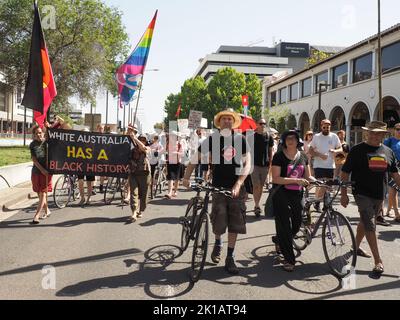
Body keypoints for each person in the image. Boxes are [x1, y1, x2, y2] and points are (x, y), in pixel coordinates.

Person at [183, 108, 251, 275]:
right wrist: (186, 177)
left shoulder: (241, 140)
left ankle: (230, 256)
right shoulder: (212, 139)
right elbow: (195, 159)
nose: (227, 121)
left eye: (230, 119)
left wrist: (239, 183)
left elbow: (247, 164)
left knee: (235, 222)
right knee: (218, 222)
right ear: (219, 122)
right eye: (224, 119)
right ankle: (218, 242)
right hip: (217, 186)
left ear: (233, 122)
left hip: (235, 187)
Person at [340, 121, 400, 275]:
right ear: (367, 133)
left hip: (379, 194)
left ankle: (356, 247)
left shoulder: (388, 151)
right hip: (361, 193)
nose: (375, 136)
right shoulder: (357, 150)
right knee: (370, 223)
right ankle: (378, 261)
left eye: (378, 133)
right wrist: (344, 194)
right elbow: (345, 172)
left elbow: (395, 174)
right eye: (372, 132)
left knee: (364, 221)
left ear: (383, 135)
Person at [271, 130, 313, 272]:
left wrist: (320, 182)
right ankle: (289, 258)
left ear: (297, 141)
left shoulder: (303, 157)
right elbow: (275, 178)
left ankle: (280, 240)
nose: (290, 141)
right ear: (284, 141)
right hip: (281, 193)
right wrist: (296, 180)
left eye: (293, 138)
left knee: (296, 221)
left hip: (297, 194)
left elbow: (308, 176)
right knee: (284, 225)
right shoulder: (278, 156)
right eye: (287, 138)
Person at [308, 119, 342, 211]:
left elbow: (340, 149)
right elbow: (310, 150)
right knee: (322, 185)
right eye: (324, 127)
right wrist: (320, 155)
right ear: (321, 127)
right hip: (318, 165)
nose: (326, 128)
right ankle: (318, 202)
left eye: (328, 127)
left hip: (330, 165)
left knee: (329, 186)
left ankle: (326, 204)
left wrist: (335, 151)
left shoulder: (334, 136)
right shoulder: (316, 137)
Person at [250, 118, 274, 217]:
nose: (263, 125)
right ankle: (256, 205)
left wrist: (270, 164)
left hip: (265, 165)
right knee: (256, 185)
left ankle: (257, 203)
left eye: (264, 123)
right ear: (257, 125)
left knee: (260, 186)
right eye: (261, 123)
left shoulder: (269, 136)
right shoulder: (252, 136)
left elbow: (270, 151)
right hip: (254, 164)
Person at [29, 125, 53, 224]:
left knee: (43, 193)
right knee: (39, 193)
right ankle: (47, 210)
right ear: (34, 135)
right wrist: (41, 169)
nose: (38, 134)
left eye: (40, 132)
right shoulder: (32, 145)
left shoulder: (47, 143)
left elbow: (58, 131)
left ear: (43, 133)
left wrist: (49, 127)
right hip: (36, 171)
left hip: (47, 172)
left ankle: (36, 215)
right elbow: (34, 159)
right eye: (36, 133)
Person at [128, 129, 151, 222]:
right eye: (140, 139)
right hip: (133, 173)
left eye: (143, 139)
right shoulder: (133, 149)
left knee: (144, 194)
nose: (142, 140)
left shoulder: (148, 148)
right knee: (134, 193)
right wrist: (130, 134)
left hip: (144, 174)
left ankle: (141, 210)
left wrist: (135, 139)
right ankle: (134, 212)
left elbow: (143, 148)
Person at [383, 122, 400, 223]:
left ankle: (389, 210)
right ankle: (397, 214)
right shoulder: (389, 141)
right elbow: (383, 153)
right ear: (394, 130)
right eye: (397, 129)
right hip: (392, 169)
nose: (399, 131)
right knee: (393, 190)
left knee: (393, 191)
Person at [78, 128, 95, 206]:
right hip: (80, 164)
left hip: (90, 164)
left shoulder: (93, 142)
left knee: (89, 182)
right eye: (83, 133)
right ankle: (82, 198)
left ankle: (89, 197)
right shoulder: (78, 142)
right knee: (80, 182)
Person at [165, 131, 184, 199]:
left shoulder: (179, 144)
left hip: (177, 163)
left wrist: (176, 153)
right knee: (170, 178)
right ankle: (169, 193)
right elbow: (164, 151)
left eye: (173, 136)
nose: (172, 137)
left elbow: (182, 154)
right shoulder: (168, 144)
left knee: (176, 179)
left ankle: (175, 191)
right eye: (171, 136)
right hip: (170, 162)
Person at [96, 124, 106, 193]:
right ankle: (93, 187)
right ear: (97, 129)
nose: (101, 129)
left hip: (103, 156)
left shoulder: (106, 137)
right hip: (94, 156)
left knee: (102, 172)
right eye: (99, 128)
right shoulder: (94, 136)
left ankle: (101, 186)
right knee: (93, 171)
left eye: (102, 128)